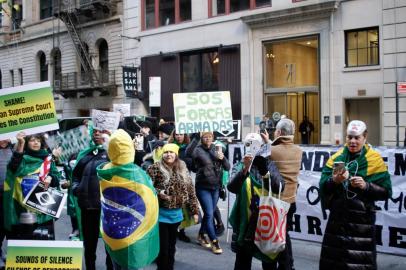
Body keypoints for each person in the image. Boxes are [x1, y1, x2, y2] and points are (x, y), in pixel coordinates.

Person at [319, 120, 392, 270]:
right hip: (337, 224)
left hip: (362, 226)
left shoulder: (374, 160)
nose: (352, 141)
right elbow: (323, 187)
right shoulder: (336, 158)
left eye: (356, 137)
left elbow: (386, 192)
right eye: (349, 137)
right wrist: (334, 181)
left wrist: (366, 186)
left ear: (365, 138)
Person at [97, 129, 159, 270]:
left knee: (117, 261)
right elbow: (150, 198)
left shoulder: (105, 169)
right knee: (133, 261)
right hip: (135, 231)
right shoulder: (137, 174)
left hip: (113, 230)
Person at [228, 132, 285, 270]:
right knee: (242, 261)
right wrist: (245, 169)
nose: (252, 148)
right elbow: (232, 187)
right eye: (249, 145)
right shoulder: (240, 164)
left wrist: (265, 171)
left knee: (269, 261)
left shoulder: (268, 163)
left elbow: (279, 188)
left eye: (255, 145)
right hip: (245, 222)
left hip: (266, 220)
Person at [147, 143, 199, 270]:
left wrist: (195, 211)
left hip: (176, 215)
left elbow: (191, 191)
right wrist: (159, 193)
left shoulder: (182, 168)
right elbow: (146, 188)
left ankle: (169, 267)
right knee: (163, 249)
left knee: (171, 247)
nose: (168, 154)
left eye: (171, 152)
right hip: (160, 215)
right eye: (166, 152)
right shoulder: (155, 168)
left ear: (176, 154)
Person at [3, 132, 61, 240]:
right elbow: (14, 167)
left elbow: (57, 178)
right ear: (26, 143)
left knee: (42, 244)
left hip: (43, 211)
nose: (36, 143)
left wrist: (51, 178)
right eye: (32, 140)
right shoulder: (22, 159)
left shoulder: (47, 159)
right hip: (22, 209)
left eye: (38, 141)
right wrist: (21, 143)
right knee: (23, 244)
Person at [72, 126, 113, 270]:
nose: (97, 133)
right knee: (89, 245)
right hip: (87, 206)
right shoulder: (84, 154)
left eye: (100, 130)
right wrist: (76, 188)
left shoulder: (114, 153)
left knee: (111, 246)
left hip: (108, 208)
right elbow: (75, 176)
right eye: (94, 131)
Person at [270, 118, 303, 270]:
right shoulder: (298, 150)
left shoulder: (272, 150)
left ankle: (286, 266)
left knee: (275, 237)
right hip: (291, 201)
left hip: (277, 202)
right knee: (284, 235)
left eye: (276, 131)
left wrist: (269, 142)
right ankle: (288, 265)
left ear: (280, 132)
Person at [193, 132, 230, 254]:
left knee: (209, 214)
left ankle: (201, 235)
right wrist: (213, 155)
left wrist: (222, 157)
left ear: (213, 138)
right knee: (209, 213)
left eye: (209, 136)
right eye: (205, 137)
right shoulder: (198, 150)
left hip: (215, 187)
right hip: (203, 186)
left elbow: (227, 167)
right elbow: (198, 161)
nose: (207, 138)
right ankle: (214, 241)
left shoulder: (217, 149)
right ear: (201, 138)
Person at [168, 131, 194, 242]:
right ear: (173, 135)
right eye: (177, 134)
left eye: (181, 134)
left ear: (185, 136)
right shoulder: (168, 147)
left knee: (183, 207)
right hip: (171, 181)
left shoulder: (189, 148)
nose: (179, 136)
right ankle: (173, 230)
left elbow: (193, 165)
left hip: (184, 181)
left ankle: (182, 231)